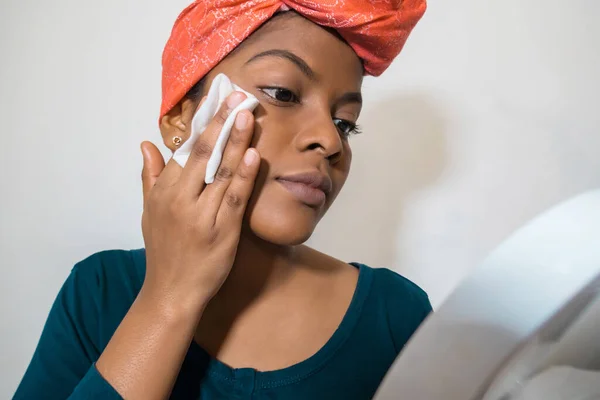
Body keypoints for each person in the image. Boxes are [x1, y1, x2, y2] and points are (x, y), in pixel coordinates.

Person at [14, 1, 431, 399]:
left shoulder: (395, 316)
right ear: (182, 119)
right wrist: (168, 299)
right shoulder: (99, 292)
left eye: (345, 123)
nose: (329, 139)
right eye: (283, 93)